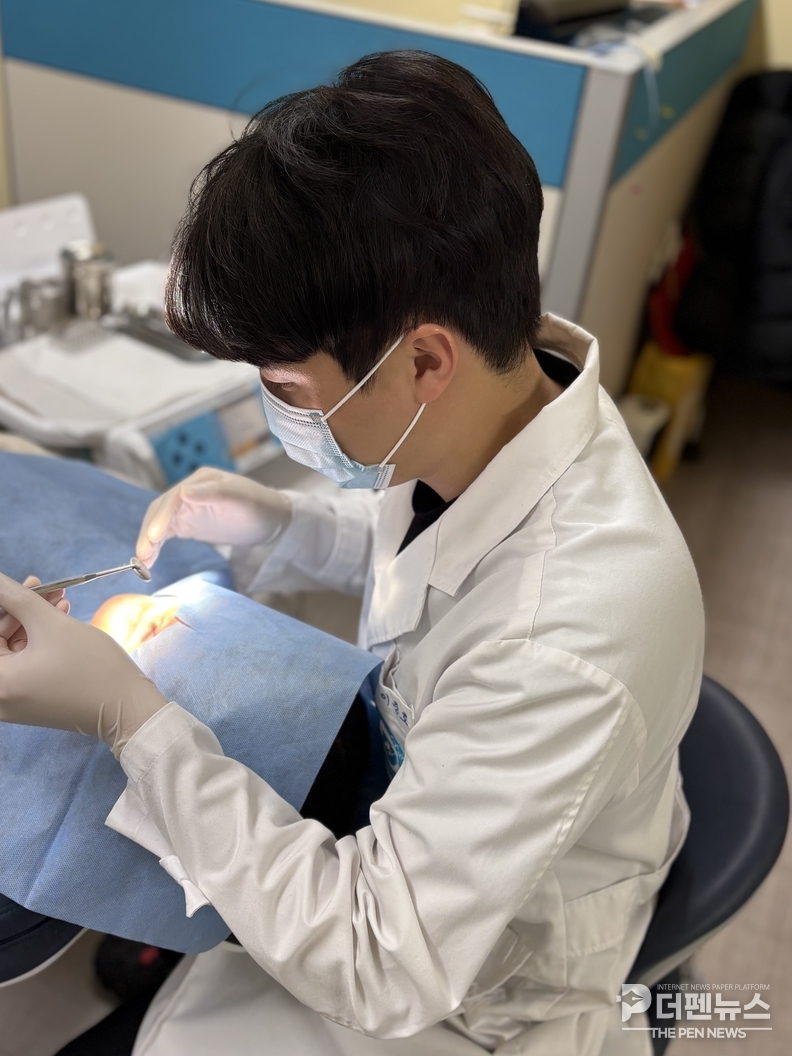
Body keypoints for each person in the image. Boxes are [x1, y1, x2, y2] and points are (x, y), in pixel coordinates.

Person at [0, 50, 703, 1056]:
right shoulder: (503, 404)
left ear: (424, 360)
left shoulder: (561, 639)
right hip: (434, 795)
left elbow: (379, 963)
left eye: (285, 388)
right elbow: (438, 556)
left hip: (479, 984)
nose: (275, 409)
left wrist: (125, 714)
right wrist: (285, 527)